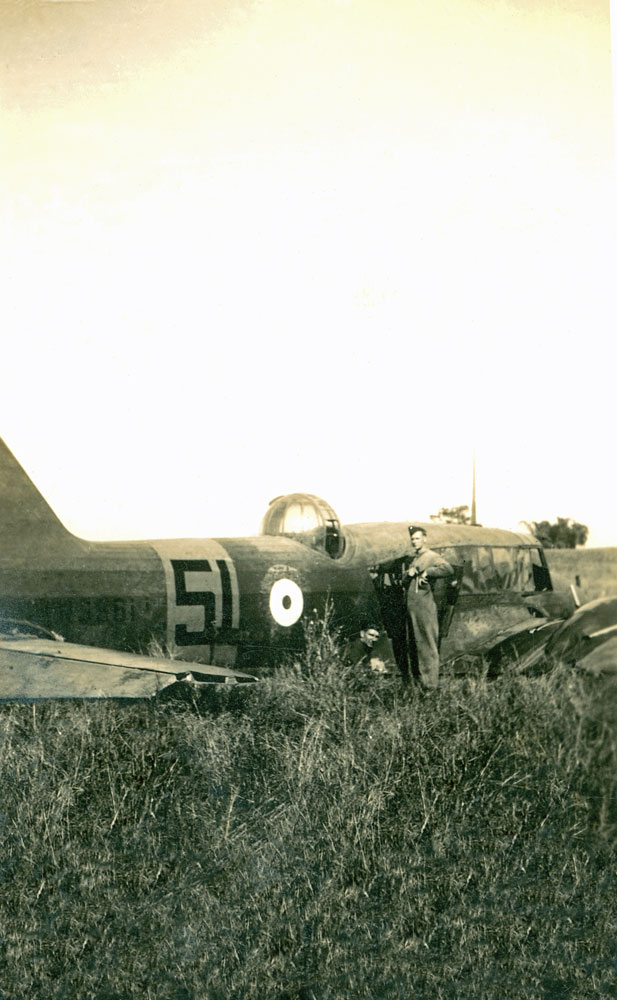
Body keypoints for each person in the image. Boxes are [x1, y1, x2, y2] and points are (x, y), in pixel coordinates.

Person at [405, 526, 453, 690]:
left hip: (424, 607)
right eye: (412, 539)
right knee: (416, 645)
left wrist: (428, 573)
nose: (414, 541)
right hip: (414, 608)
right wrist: (410, 572)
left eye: (417, 538)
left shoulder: (431, 556)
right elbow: (409, 576)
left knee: (427, 645)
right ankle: (420, 683)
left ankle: (430, 685)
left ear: (424, 539)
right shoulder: (416, 557)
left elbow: (448, 568)